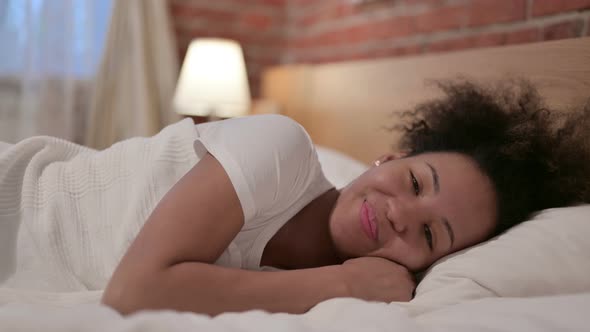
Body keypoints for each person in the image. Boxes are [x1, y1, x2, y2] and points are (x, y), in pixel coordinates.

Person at [95, 79, 587, 316]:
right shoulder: (278, 146)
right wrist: (345, 284)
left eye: (431, 234)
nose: (400, 214)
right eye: (415, 182)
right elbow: (130, 295)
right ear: (388, 158)